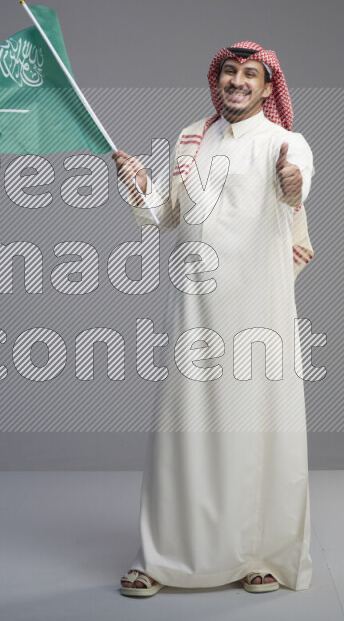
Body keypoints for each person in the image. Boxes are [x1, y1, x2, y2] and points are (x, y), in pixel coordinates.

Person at [112, 41, 315, 597]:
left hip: (257, 312)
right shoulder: (190, 139)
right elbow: (166, 215)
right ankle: (161, 557)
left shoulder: (285, 141)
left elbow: (295, 181)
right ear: (217, 80)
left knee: (256, 432)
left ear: (268, 87)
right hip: (194, 310)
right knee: (184, 433)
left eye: (251, 75)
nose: (238, 82)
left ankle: (259, 556)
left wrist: (292, 183)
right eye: (230, 72)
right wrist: (138, 183)